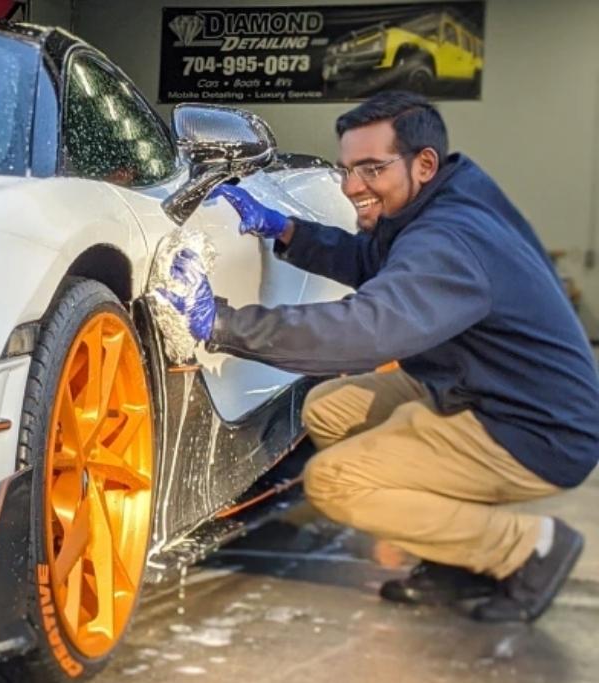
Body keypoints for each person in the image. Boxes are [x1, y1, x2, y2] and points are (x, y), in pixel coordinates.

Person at [156, 90, 599, 622]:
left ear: (424, 163)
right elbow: (378, 260)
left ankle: (528, 548)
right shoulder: (441, 196)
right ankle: (452, 554)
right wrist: (288, 231)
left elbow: (362, 331)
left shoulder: (452, 239)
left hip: (532, 428)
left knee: (335, 483)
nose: (351, 187)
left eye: (370, 169)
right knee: (327, 409)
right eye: (347, 169)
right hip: (479, 387)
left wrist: (222, 322)